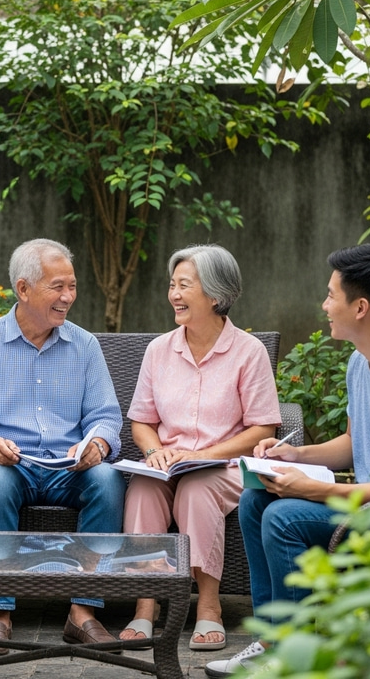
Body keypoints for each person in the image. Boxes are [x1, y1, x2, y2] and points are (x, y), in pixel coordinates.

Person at [205, 243, 370, 677]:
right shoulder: (361, 362)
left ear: (360, 307)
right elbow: (352, 441)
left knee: (284, 517)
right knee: (255, 500)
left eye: (330, 295)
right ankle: (272, 639)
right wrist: (294, 452)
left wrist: (319, 489)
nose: (323, 305)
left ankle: (298, 654)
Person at [0, 238, 127, 656]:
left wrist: (98, 443)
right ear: (23, 289)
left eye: (73, 286)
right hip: (8, 463)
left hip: (70, 466)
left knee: (107, 478)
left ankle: (82, 611)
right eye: (57, 287)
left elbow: (106, 414)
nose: (68, 297)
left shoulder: (85, 345)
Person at [118, 245, 281, 652]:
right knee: (142, 489)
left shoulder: (248, 351)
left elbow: (263, 426)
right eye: (172, 285)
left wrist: (204, 455)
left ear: (215, 294)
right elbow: (142, 421)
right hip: (169, 462)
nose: (174, 294)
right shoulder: (159, 350)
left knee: (197, 489)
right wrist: (154, 452)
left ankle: (209, 607)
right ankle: (145, 606)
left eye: (184, 286)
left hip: (224, 467)